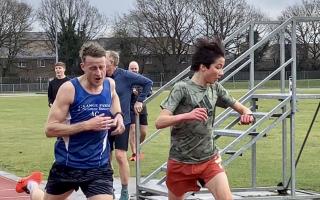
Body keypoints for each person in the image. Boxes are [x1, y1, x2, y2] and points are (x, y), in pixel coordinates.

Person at [15, 42, 125, 200]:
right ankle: (31, 185)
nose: (99, 73)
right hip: (68, 165)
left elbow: (114, 98)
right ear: (83, 66)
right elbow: (50, 129)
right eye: (93, 68)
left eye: (102, 67)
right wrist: (87, 125)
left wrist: (119, 115)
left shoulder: (109, 84)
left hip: (98, 166)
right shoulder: (69, 89)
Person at [155, 37, 254, 200]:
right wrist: (187, 115)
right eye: (218, 67)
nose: (221, 73)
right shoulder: (182, 88)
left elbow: (242, 107)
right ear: (203, 67)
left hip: (209, 159)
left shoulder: (215, 88)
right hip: (181, 162)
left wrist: (246, 114)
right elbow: (160, 122)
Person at [105, 51, 153, 200]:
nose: (101, 62)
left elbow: (148, 83)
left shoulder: (125, 75)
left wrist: (140, 100)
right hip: (104, 123)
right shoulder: (100, 76)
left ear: (112, 61)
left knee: (120, 156)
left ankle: (125, 191)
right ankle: (109, 188)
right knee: (106, 158)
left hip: (122, 122)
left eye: (104, 59)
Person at [128, 61, 151, 161]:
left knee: (144, 132)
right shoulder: (126, 80)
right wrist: (131, 92)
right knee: (132, 130)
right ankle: (134, 153)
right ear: (128, 69)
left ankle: (138, 148)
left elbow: (149, 92)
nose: (134, 70)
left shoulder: (143, 80)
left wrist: (140, 95)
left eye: (135, 68)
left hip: (142, 108)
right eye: (132, 68)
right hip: (130, 108)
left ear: (138, 69)